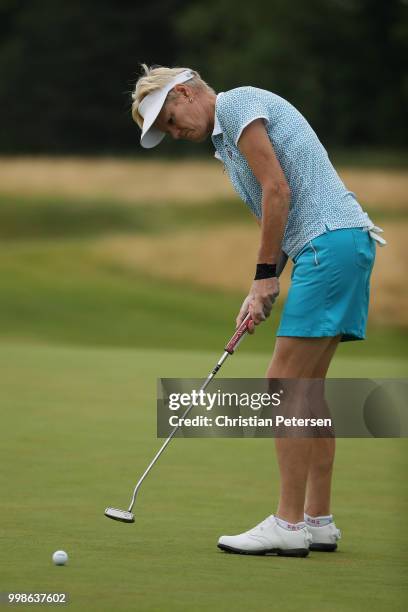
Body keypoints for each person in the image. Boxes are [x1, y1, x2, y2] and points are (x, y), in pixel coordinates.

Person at [131, 65, 385, 557]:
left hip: (328, 245)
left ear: (183, 92)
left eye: (170, 119)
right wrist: (260, 290)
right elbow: (282, 208)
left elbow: (278, 190)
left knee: (282, 384)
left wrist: (265, 275)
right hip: (338, 244)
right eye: (164, 131)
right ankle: (318, 520)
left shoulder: (238, 103)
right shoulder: (226, 142)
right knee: (307, 390)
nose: (174, 132)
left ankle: (288, 525)